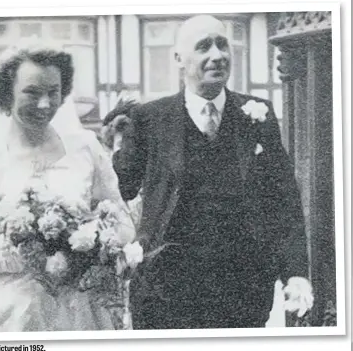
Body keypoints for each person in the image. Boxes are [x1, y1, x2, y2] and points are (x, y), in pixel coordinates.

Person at [109, 15, 313, 329]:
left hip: (242, 292)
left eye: (222, 45)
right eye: (204, 46)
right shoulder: (149, 118)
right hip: (164, 292)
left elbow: (283, 200)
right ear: (179, 58)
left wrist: (296, 272)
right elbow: (115, 192)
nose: (217, 55)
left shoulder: (258, 114)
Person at [0, 40, 135, 332]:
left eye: (53, 92)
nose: (45, 104)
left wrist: (94, 243)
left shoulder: (85, 147)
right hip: (14, 313)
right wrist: (12, 260)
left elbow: (123, 222)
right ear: (6, 94)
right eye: (32, 92)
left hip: (81, 309)